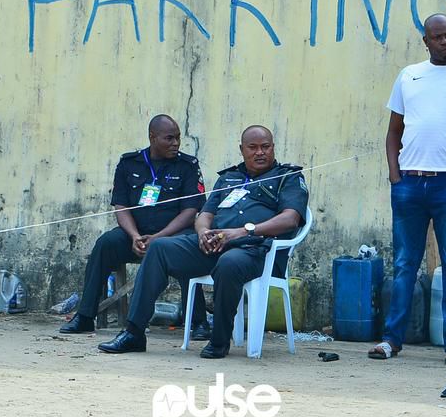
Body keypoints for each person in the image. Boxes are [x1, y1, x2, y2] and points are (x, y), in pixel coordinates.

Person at [97, 125, 308, 358]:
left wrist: (243, 231)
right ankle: (134, 332)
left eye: (265, 147)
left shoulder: (287, 177)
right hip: (215, 246)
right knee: (159, 248)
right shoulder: (229, 178)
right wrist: (203, 232)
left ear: (273, 148)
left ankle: (219, 341)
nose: (260, 152)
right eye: (253, 147)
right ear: (242, 150)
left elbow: (290, 219)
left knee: (229, 263)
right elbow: (205, 214)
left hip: (256, 251)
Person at [370, 13, 446, 365]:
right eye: (438, 36)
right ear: (425, 40)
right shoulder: (409, 75)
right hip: (410, 182)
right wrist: (395, 175)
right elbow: (394, 131)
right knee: (404, 263)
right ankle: (391, 339)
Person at [59, 115, 210, 339]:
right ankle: (85, 316)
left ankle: (198, 322)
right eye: (169, 138)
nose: (176, 143)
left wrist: (159, 237)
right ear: (152, 137)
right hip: (136, 235)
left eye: (178, 138)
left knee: (187, 249)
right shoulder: (129, 164)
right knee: (105, 244)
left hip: (172, 234)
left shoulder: (187, 166)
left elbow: (190, 212)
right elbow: (121, 206)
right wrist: (134, 236)